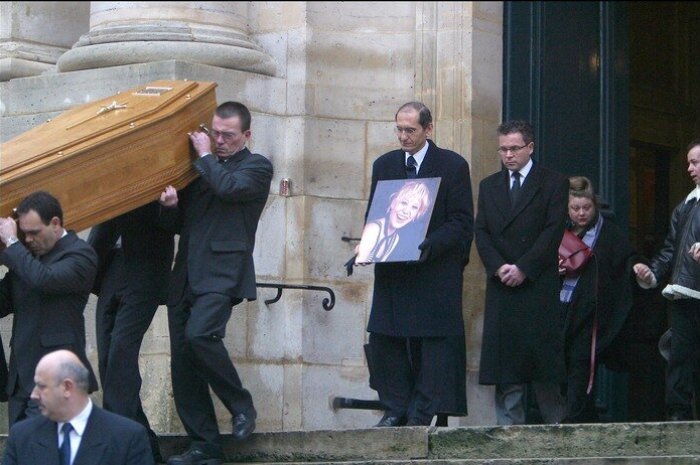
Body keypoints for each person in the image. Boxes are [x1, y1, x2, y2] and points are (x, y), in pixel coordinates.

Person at [158, 101, 273, 465]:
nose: (219, 141)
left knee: (201, 334)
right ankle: (204, 445)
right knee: (183, 361)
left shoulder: (256, 167)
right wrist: (170, 206)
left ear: (246, 136)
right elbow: (175, 226)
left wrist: (205, 155)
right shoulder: (200, 169)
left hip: (224, 272)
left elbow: (228, 189)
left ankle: (241, 406)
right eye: (215, 133)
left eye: (228, 135)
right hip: (186, 273)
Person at [357, 101, 473, 427]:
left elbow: (463, 222)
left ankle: (422, 412)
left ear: (428, 129)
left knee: (433, 349)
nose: (404, 137)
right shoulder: (384, 164)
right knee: (385, 340)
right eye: (399, 130)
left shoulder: (452, 165)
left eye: (411, 130)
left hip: (434, 272)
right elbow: (375, 216)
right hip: (395, 274)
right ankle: (395, 407)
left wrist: (428, 243)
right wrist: (367, 247)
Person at [475, 120, 568, 425]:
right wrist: (499, 267)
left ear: (530, 147)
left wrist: (524, 268)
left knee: (544, 370)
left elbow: (553, 231)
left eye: (514, 148)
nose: (508, 155)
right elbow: (482, 232)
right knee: (507, 370)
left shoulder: (552, 182)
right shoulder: (489, 186)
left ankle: (558, 438)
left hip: (536, 285)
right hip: (503, 287)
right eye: (503, 149)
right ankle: (509, 440)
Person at [0, 191, 98, 427]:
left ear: (55, 224)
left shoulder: (80, 255)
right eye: (24, 234)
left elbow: (44, 280)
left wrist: (13, 244)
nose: (29, 239)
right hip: (21, 383)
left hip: (57, 383)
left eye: (34, 232)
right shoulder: (27, 260)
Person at [87, 201, 174, 464]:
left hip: (147, 269)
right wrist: (83, 268)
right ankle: (144, 444)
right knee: (107, 361)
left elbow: (177, 223)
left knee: (120, 358)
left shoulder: (164, 177)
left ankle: (119, 444)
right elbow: (104, 227)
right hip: (114, 269)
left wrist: (168, 205)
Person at [558, 176, 638, 422]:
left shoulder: (610, 234)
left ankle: (572, 425)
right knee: (563, 371)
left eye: (586, 208)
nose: (581, 213)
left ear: (595, 205)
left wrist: (639, 267)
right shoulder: (557, 232)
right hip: (561, 311)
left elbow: (628, 259)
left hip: (590, 316)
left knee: (582, 369)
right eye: (575, 208)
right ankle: (583, 423)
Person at [633, 139, 700, 421]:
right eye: (688, 162)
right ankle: (678, 419)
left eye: (695, 162)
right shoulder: (686, 206)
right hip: (684, 293)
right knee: (680, 359)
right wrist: (652, 274)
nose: (689, 168)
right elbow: (670, 250)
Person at [2, 349, 154, 465]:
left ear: (67, 387)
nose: (34, 395)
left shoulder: (128, 438)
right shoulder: (21, 436)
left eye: (41, 386)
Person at [356, 180, 432, 263]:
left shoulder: (395, 238)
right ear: (393, 203)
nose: (406, 211)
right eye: (404, 203)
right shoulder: (374, 228)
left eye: (414, 207)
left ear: (417, 214)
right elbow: (360, 259)